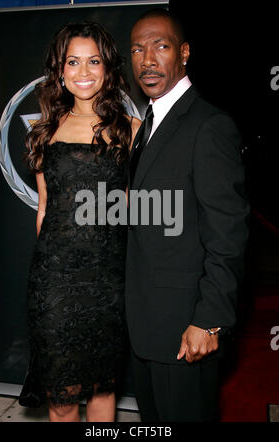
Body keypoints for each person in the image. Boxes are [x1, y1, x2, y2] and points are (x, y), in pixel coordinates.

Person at [125, 9, 250, 422]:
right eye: (138, 49)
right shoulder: (149, 121)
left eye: (160, 46)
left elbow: (227, 234)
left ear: (184, 53)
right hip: (147, 325)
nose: (147, 60)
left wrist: (210, 320)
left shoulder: (209, 125)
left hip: (185, 329)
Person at [23, 22, 140, 422]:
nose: (84, 71)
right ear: (59, 69)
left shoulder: (131, 130)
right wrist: (46, 278)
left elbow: (137, 209)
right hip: (54, 283)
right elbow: (43, 208)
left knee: (102, 390)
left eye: (94, 60)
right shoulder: (43, 132)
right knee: (61, 398)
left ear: (108, 67)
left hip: (108, 281)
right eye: (73, 61)